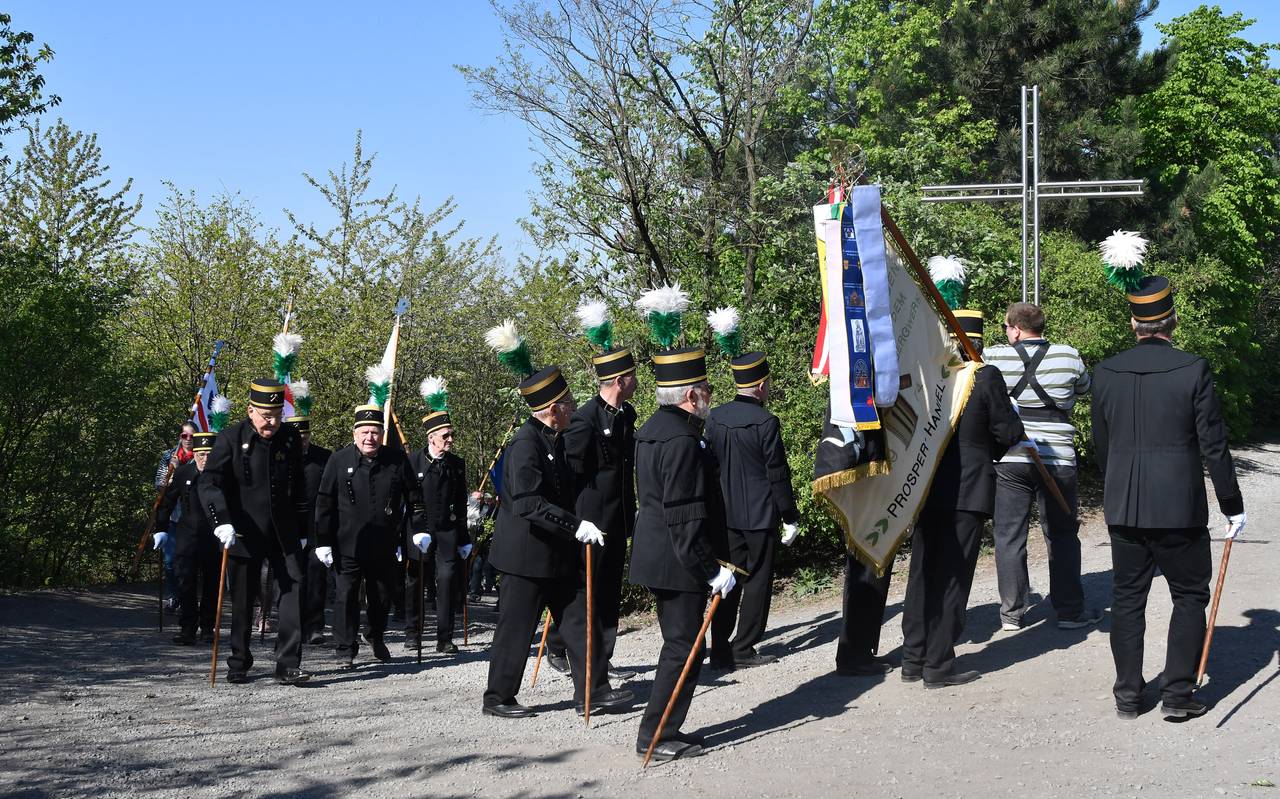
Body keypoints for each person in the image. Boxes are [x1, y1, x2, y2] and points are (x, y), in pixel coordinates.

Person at [1091, 275, 1245, 720]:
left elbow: (1103, 446)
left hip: (1124, 505)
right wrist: (1231, 504)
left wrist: (1116, 486)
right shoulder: (1193, 368)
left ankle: (1127, 696)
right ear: (1172, 320)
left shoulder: (1105, 372)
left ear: (1133, 322)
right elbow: (1213, 444)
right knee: (1190, 595)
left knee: (1127, 599)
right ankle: (1177, 695)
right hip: (1179, 505)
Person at [480, 345, 631, 719]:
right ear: (552, 409)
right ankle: (497, 697)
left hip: (558, 553)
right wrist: (576, 524)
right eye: (567, 401)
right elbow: (527, 503)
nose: (573, 405)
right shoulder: (524, 445)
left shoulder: (557, 439)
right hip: (526, 557)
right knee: (516, 630)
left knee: (580, 621)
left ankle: (593, 691)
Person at [900, 310, 1024, 688]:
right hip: (967, 489)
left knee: (923, 571)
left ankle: (913, 656)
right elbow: (1007, 430)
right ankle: (938, 663)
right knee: (953, 576)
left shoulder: (930, 375)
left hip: (925, 485)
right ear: (978, 341)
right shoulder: (985, 376)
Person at [630, 346, 734, 762]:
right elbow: (684, 513)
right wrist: (710, 570)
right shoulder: (684, 440)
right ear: (691, 395)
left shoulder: (654, 428)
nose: (710, 393)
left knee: (682, 644)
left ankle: (663, 728)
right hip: (678, 559)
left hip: (660, 553)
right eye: (706, 388)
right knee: (683, 647)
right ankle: (656, 734)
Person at [985, 302, 1099, 631]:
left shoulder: (995, 357)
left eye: (1007, 327)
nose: (1006, 333)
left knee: (1009, 536)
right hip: (1058, 459)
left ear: (1017, 329)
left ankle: (1012, 614)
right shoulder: (1068, 355)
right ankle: (1069, 611)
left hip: (1011, 458)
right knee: (1062, 534)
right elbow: (1083, 388)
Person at [198, 378, 312, 685]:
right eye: (265, 414)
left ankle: (288, 663)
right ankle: (239, 660)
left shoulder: (289, 438)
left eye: (277, 413)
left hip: (283, 532)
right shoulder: (230, 438)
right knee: (244, 601)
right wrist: (220, 520)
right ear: (250, 410)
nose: (272, 421)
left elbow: (299, 484)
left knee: (292, 593)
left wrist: (302, 528)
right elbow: (208, 483)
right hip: (244, 531)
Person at [546, 338, 638, 681]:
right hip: (591, 523)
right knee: (587, 592)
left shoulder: (627, 414)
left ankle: (603, 657)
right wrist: (571, 522)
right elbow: (567, 477)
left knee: (609, 592)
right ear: (620, 381)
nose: (636, 380)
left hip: (618, 519)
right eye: (632, 375)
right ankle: (561, 647)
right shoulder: (583, 420)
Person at [314, 404, 428, 670]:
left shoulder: (397, 461)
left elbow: (415, 498)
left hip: (384, 543)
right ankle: (345, 648)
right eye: (364, 432)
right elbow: (324, 502)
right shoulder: (338, 460)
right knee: (346, 597)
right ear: (354, 434)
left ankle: (375, 636)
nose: (369, 438)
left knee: (381, 596)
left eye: (375, 432)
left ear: (382, 434)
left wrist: (419, 529)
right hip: (347, 544)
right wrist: (323, 540)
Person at [705, 349, 798, 670]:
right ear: (760, 385)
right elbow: (777, 473)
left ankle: (719, 650)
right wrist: (790, 516)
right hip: (759, 517)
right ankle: (743, 647)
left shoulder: (714, 417)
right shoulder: (766, 421)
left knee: (728, 579)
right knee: (757, 582)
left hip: (726, 517)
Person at [404, 378, 472, 654]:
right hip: (419, 530)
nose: (450, 440)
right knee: (416, 581)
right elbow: (408, 499)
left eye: (451, 434)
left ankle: (445, 637)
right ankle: (413, 632)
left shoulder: (457, 464)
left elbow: (460, 502)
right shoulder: (413, 462)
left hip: (447, 531)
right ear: (431, 437)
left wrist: (465, 537)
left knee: (447, 581)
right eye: (445, 435)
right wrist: (413, 531)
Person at [154, 428, 220, 644]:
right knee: (186, 583)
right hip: (187, 537)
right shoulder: (183, 474)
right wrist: (161, 529)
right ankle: (188, 628)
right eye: (201, 454)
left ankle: (208, 627)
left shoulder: (223, 477)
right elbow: (166, 502)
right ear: (195, 455)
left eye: (209, 454)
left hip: (214, 539)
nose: (205, 459)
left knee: (212, 584)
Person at [284, 405, 332, 645]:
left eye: (303, 437)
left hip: (316, 527)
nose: (300, 442)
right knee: (293, 578)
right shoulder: (279, 458)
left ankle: (315, 626)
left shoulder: (324, 458)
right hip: (289, 528)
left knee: (316, 577)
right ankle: (294, 626)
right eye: (295, 438)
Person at [154, 422, 197, 612]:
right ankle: (174, 596)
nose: (187, 440)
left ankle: (187, 598)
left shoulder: (202, 456)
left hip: (193, 516)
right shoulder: (169, 456)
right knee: (170, 561)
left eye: (191, 436)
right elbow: (160, 485)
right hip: (173, 515)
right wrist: (172, 473)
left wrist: (180, 472)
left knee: (188, 561)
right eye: (184, 436)